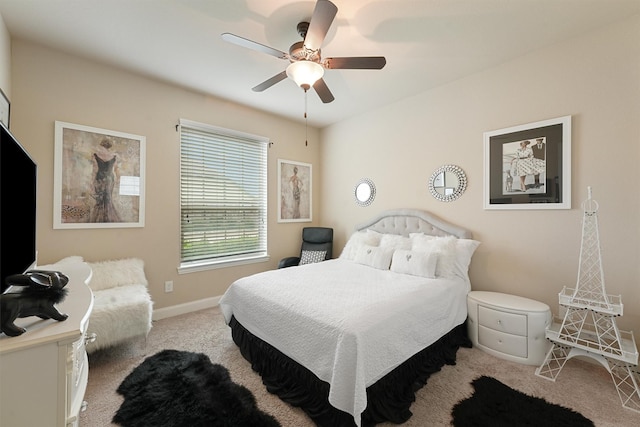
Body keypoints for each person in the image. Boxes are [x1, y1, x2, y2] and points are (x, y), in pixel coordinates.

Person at [90, 138, 122, 222]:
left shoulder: (96, 155)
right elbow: (116, 169)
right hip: (109, 179)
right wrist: (119, 179)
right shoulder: (114, 156)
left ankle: (99, 219)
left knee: (99, 200)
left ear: (101, 145)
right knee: (108, 199)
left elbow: (94, 170)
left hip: (100, 178)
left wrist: (92, 183)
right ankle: (107, 218)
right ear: (109, 146)